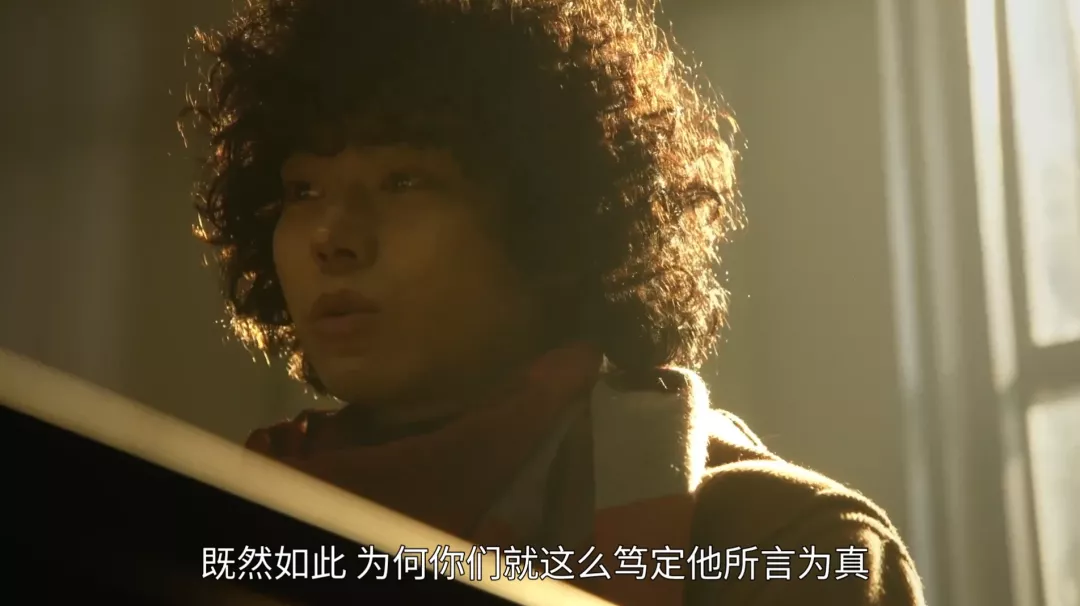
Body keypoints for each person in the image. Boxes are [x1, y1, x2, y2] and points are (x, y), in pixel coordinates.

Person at [182, 0, 926, 604]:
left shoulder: (782, 542)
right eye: (303, 191)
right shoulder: (214, 530)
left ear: (555, 218)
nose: (331, 238)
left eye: (404, 181)